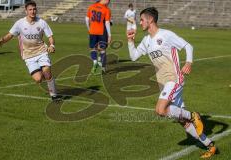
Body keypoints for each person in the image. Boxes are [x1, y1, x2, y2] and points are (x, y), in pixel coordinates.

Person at [127, 7, 216, 158]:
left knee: (160, 110)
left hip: (174, 78)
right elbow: (134, 56)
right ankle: (210, 145)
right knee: (184, 122)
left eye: (141, 19)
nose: (139, 22)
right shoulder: (146, 40)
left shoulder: (166, 35)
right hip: (163, 82)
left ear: (150, 20)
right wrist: (130, 41)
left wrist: (189, 62)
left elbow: (188, 46)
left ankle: (193, 115)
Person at [0, 0, 61, 101]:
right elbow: (10, 35)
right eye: (30, 9)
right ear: (26, 11)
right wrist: (3, 40)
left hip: (42, 52)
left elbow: (50, 36)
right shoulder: (20, 23)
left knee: (47, 72)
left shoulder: (41, 22)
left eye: (34, 9)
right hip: (28, 55)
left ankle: (54, 96)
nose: (33, 11)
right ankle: (47, 78)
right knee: (38, 79)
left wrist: (52, 45)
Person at [85, 0, 111, 74]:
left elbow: (86, 19)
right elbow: (107, 22)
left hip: (92, 31)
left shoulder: (91, 6)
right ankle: (103, 68)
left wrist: (89, 29)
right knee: (103, 50)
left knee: (93, 48)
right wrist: (109, 35)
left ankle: (95, 61)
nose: (109, 2)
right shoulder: (106, 9)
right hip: (102, 32)